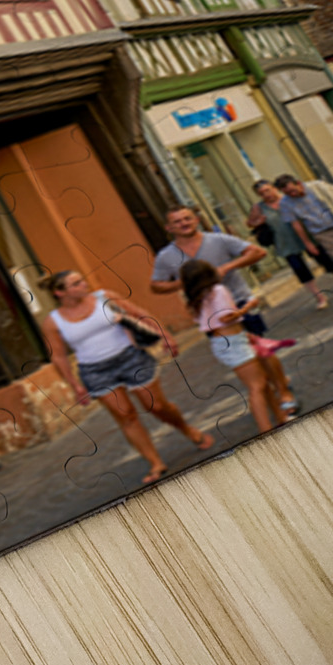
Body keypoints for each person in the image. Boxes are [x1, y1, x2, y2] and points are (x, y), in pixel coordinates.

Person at [41, 271, 212, 485]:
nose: (84, 284)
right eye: (76, 283)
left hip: (131, 359)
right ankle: (155, 462)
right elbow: (57, 356)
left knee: (157, 406)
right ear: (60, 292)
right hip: (95, 371)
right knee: (126, 416)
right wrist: (74, 385)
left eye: (82, 280)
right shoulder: (53, 322)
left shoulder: (104, 297)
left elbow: (140, 314)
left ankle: (187, 430)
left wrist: (166, 336)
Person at [181, 260, 288, 433]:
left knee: (262, 382)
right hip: (232, 342)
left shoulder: (198, 299)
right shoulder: (217, 290)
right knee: (257, 385)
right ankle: (266, 430)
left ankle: (280, 417)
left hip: (227, 341)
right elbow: (226, 317)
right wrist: (248, 307)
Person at [151, 205, 272, 335]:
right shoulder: (165, 256)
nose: (184, 223)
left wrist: (226, 268)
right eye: (177, 221)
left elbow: (258, 252)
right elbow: (157, 286)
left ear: (196, 220)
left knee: (262, 348)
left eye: (187, 219)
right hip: (208, 312)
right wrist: (186, 282)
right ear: (168, 228)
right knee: (231, 353)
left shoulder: (219, 239)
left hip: (239, 301)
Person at [247, 179, 333, 310]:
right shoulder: (259, 207)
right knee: (301, 270)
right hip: (285, 243)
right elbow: (250, 223)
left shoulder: (287, 199)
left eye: (267, 190)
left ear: (274, 188)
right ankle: (319, 297)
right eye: (262, 193)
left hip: (306, 237)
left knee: (327, 260)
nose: (266, 194)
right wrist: (259, 221)